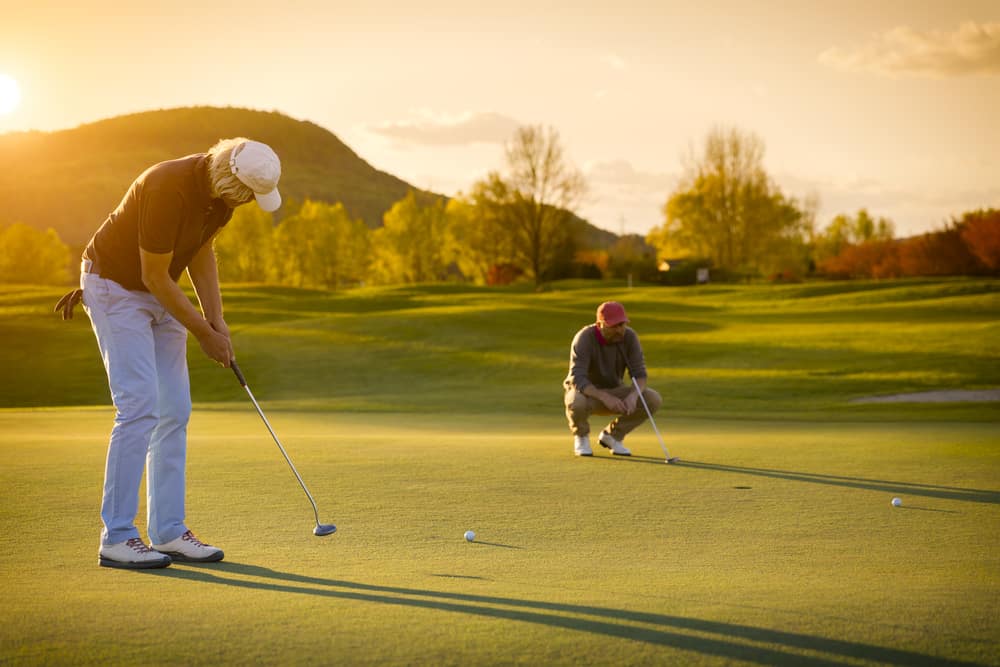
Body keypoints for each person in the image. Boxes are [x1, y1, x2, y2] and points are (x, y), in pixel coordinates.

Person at [55, 138, 282, 569]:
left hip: (162, 292)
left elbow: (200, 252)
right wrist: (203, 333)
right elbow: (154, 276)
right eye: (248, 194)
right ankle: (117, 536)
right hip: (116, 289)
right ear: (230, 177)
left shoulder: (221, 199)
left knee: (174, 410)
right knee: (138, 406)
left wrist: (218, 319)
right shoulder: (167, 186)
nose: (249, 203)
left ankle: (169, 532)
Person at [563, 301, 662, 457]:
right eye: (613, 326)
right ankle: (581, 437)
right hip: (586, 393)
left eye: (622, 324)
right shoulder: (584, 338)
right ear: (599, 324)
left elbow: (640, 375)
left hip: (615, 390)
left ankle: (612, 437)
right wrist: (604, 396)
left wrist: (632, 396)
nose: (619, 330)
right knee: (576, 400)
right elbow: (578, 378)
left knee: (652, 398)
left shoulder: (629, 337)